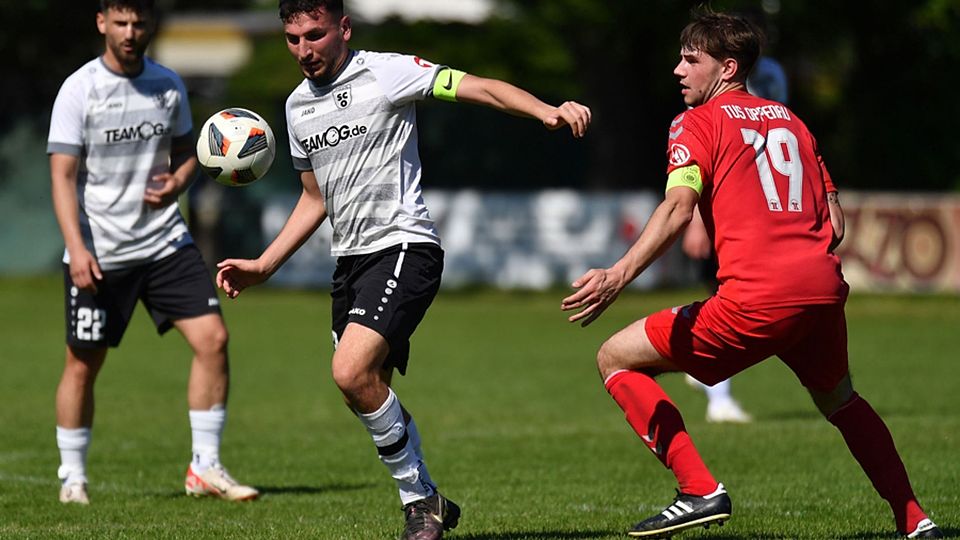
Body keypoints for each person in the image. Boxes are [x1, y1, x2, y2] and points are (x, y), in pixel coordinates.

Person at [215, 1, 590, 538]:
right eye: (292, 39)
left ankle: (418, 503)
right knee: (362, 391)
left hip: (404, 247)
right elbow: (313, 198)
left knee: (348, 371)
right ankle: (429, 495)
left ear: (343, 28)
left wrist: (544, 111)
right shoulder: (298, 106)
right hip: (350, 262)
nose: (303, 50)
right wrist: (264, 265)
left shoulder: (387, 72)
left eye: (314, 35)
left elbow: (478, 86)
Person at [561, 9, 941, 539]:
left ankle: (699, 490)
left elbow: (676, 209)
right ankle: (916, 520)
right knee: (840, 400)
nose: (677, 69)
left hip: (758, 297)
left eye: (691, 59)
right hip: (821, 291)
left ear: (727, 66)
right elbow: (835, 224)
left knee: (615, 358)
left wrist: (618, 275)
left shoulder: (696, 122)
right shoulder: (793, 122)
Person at [48, 0, 257, 505]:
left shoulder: (167, 84)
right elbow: (62, 175)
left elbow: (186, 153)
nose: (129, 31)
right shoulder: (80, 89)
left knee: (214, 340)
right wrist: (77, 249)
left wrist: (177, 182)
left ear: (150, 25)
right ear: (101, 22)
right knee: (82, 364)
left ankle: (205, 468)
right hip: (102, 250)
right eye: (120, 22)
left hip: (164, 241)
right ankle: (71, 476)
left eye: (138, 22)